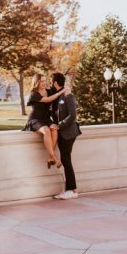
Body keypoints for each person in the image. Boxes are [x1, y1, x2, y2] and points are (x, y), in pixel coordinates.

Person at [50, 72, 82, 200]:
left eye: (52, 81)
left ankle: (72, 190)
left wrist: (59, 125)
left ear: (56, 83)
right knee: (65, 159)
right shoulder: (57, 95)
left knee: (66, 160)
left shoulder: (68, 95)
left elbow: (73, 115)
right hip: (62, 134)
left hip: (68, 133)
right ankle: (70, 189)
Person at [23, 74, 66, 168]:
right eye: (42, 81)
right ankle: (54, 157)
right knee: (46, 130)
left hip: (46, 119)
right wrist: (61, 92)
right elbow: (48, 100)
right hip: (35, 119)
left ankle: (49, 158)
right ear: (36, 82)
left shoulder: (49, 91)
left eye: (45, 81)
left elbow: (58, 89)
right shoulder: (33, 94)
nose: (44, 83)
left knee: (54, 130)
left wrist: (66, 89)